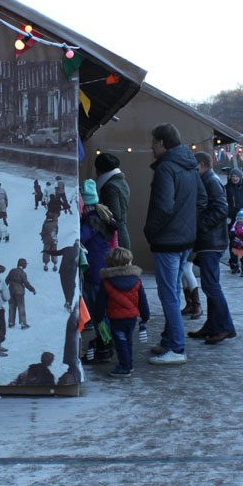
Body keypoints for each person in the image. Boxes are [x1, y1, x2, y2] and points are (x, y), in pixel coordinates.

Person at [143, 122, 206, 365]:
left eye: (153, 141)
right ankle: (169, 341)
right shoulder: (190, 165)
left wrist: (150, 231)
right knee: (174, 291)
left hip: (167, 241)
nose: (150, 146)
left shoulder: (165, 168)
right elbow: (201, 199)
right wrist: (188, 223)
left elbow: (164, 207)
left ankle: (177, 348)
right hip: (186, 240)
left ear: (160, 142)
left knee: (169, 294)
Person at [189, 152, 236, 345]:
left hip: (212, 241)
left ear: (201, 164)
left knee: (210, 285)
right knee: (210, 284)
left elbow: (220, 209)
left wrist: (201, 225)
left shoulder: (210, 181)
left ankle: (225, 326)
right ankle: (212, 325)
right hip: (210, 241)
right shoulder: (209, 180)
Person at [90, 247, 151, 377]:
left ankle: (125, 366)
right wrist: (145, 316)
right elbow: (143, 301)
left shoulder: (107, 283)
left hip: (116, 319)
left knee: (120, 342)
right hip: (132, 318)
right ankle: (129, 364)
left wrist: (98, 318)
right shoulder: (137, 281)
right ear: (129, 262)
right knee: (128, 340)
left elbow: (100, 303)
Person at [79, 179, 117, 310]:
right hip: (102, 264)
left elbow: (81, 237)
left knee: (95, 304)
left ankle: (102, 328)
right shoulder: (101, 215)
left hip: (95, 267)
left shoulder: (92, 219)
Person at [94, 152, 131, 249]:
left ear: (99, 170)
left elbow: (114, 214)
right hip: (121, 234)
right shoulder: (121, 182)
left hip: (115, 239)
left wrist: (96, 209)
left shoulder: (109, 187)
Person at [6, 258, 36, 329]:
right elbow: (26, 283)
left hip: (11, 292)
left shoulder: (12, 271)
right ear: (24, 265)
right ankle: (23, 324)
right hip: (20, 293)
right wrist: (32, 289)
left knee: (11, 307)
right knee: (21, 307)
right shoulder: (23, 273)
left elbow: (6, 280)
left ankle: (11, 322)